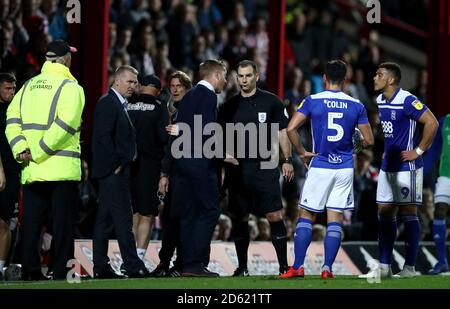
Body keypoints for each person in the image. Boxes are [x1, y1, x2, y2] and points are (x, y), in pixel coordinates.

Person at [282, 60, 374, 279]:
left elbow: (291, 128)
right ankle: (327, 268)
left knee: (306, 216)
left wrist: (302, 151)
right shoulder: (356, 104)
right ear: (345, 79)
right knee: (335, 218)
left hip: (320, 164)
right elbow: (369, 140)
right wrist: (354, 146)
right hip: (343, 167)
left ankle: (297, 267)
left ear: (324, 78)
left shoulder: (313, 100)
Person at [5, 40, 85, 280]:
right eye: (69, 55)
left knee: (31, 223)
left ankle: (30, 271)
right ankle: (60, 271)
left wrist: (22, 150)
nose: (71, 58)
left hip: (31, 168)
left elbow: (11, 119)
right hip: (59, 167)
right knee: (62, 224)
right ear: (63, 59)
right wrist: (39, 151)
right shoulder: (72, 87)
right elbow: (66, 123)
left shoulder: (28, 86)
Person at [360, 62, 438, 279]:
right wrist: (387, 150)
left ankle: (410, 268)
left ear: (391, 80)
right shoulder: (379, 101)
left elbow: (432, 122)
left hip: (408, 167)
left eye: (379, 74)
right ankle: (385, 266)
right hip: (388, 166)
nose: (375, 77)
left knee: (408, 213)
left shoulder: (408, 100)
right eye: (375, 73)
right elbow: (391, 131)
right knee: (384, 212)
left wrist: (418, 150)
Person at [218, 60, 294, 276]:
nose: (244, 80)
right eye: (240, 76)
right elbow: (220, 136)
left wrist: (287, 159)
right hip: (237, 169)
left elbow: (282, 132)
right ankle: (242, 267)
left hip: (265, 167)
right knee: (240, 217)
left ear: (256, 76)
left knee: (274, 215)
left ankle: (283, 267)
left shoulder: (272, 102)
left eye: (248, 75)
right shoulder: (229, 106)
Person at [91, 65, 150, 279]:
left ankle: (101, 266)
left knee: (105, 221)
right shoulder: (108, 103)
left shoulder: (117, 103)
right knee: (124, 219)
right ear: (117, 81)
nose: (133, 86)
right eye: (130, 82)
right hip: (113, 173)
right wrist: (117, 165)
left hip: (113, 172)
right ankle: (133, 266)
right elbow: (103, 138)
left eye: (135, 82)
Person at [171, 60, 227, 277]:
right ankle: (195, 263)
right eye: (223, 76)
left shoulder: (190, 95)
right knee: (210, 210)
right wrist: (222, 156)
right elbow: (205, 131)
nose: (224, 81)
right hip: (198, 161)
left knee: (189, 212)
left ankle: (187, 264)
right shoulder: (208, 95)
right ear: (215, 75)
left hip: (182, 160)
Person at [151, 70, 192, 277]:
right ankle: (168, 263)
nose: (175, 90)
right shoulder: (174, 112)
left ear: (187, 87)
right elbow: (170, 147)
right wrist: (165, 174)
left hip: (189, 174)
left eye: (179, 86)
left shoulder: (190, 112)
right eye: (172, 86)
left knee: (180, 219)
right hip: (176, 174)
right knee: (173, 219)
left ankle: (176, 263)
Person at [127, 74, 168, 261]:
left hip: (126, 166)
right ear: (158, 91)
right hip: (149, 166)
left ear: (140, 86)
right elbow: (163, 138)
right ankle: (139, 256)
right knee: (147, 212)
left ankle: (129, 258)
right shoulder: (160, 108)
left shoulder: (127, 104)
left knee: (133, 211)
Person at [0, 72, 19, 280]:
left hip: (13, 172)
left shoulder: (16, 110)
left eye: (13, 88)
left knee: (5, 222)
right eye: (7, 88)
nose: (11, 92)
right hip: (2, 170)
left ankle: (0, 266)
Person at [428, 114, 450, 274]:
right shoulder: (444, 121)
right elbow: (435, 149)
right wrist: (421, 172)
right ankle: (442, 261)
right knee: (439, 211)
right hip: (445, 175)